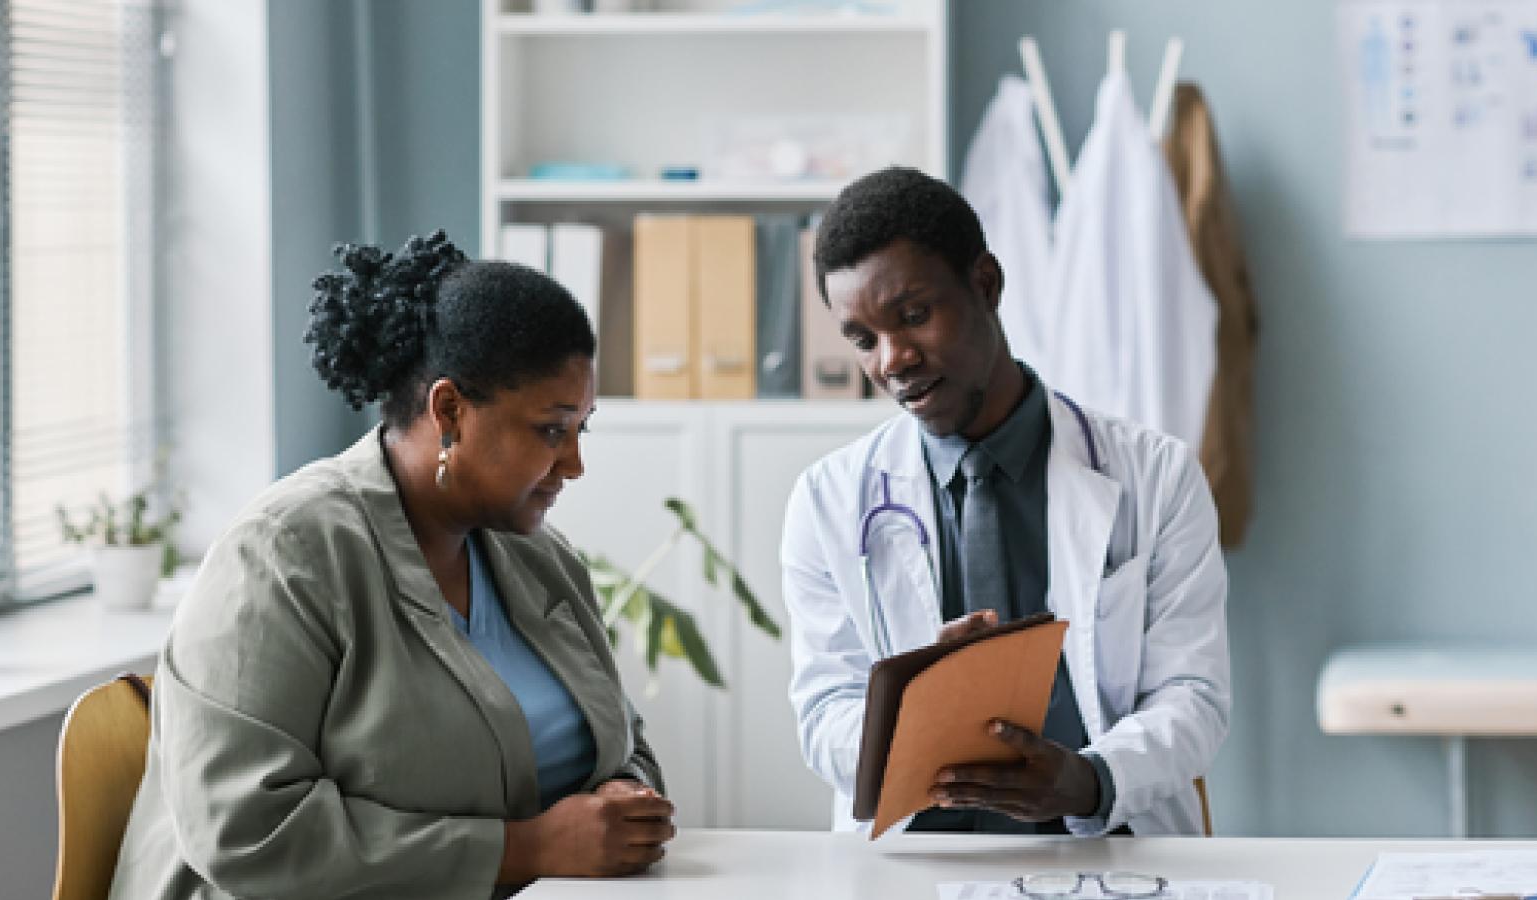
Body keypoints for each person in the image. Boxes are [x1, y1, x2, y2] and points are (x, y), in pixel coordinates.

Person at [109, 231, 675, 899]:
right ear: (450, 411)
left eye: (583, 428)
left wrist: (624, 799)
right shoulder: (284, 555)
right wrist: (526, 848)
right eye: (552, 430)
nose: (574, 465)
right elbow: (247, 830)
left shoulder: (539, 559)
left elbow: (622, 736)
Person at [781, 168, 1230, 836]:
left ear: (985, 284)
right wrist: (914, 709)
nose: (893, 359)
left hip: (1105, 846)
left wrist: (1089, 780)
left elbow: (1193, 696)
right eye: (863, 338)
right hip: (919, 863)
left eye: (913, 316)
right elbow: (824, 711)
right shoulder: (829, 500)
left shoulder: (1155, 476)